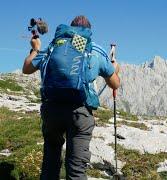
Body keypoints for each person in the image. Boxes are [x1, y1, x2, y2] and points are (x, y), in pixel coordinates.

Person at [22, 15, 120, 180]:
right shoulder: (93, 50)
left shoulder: (55, 46)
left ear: (70, 28)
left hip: (52, 111)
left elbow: (26, 68)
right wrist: (114, 68)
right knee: (76, 171)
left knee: (49, 167)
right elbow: (115, 84)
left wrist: (35, 48)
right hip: (79, 112)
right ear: (88, 31)